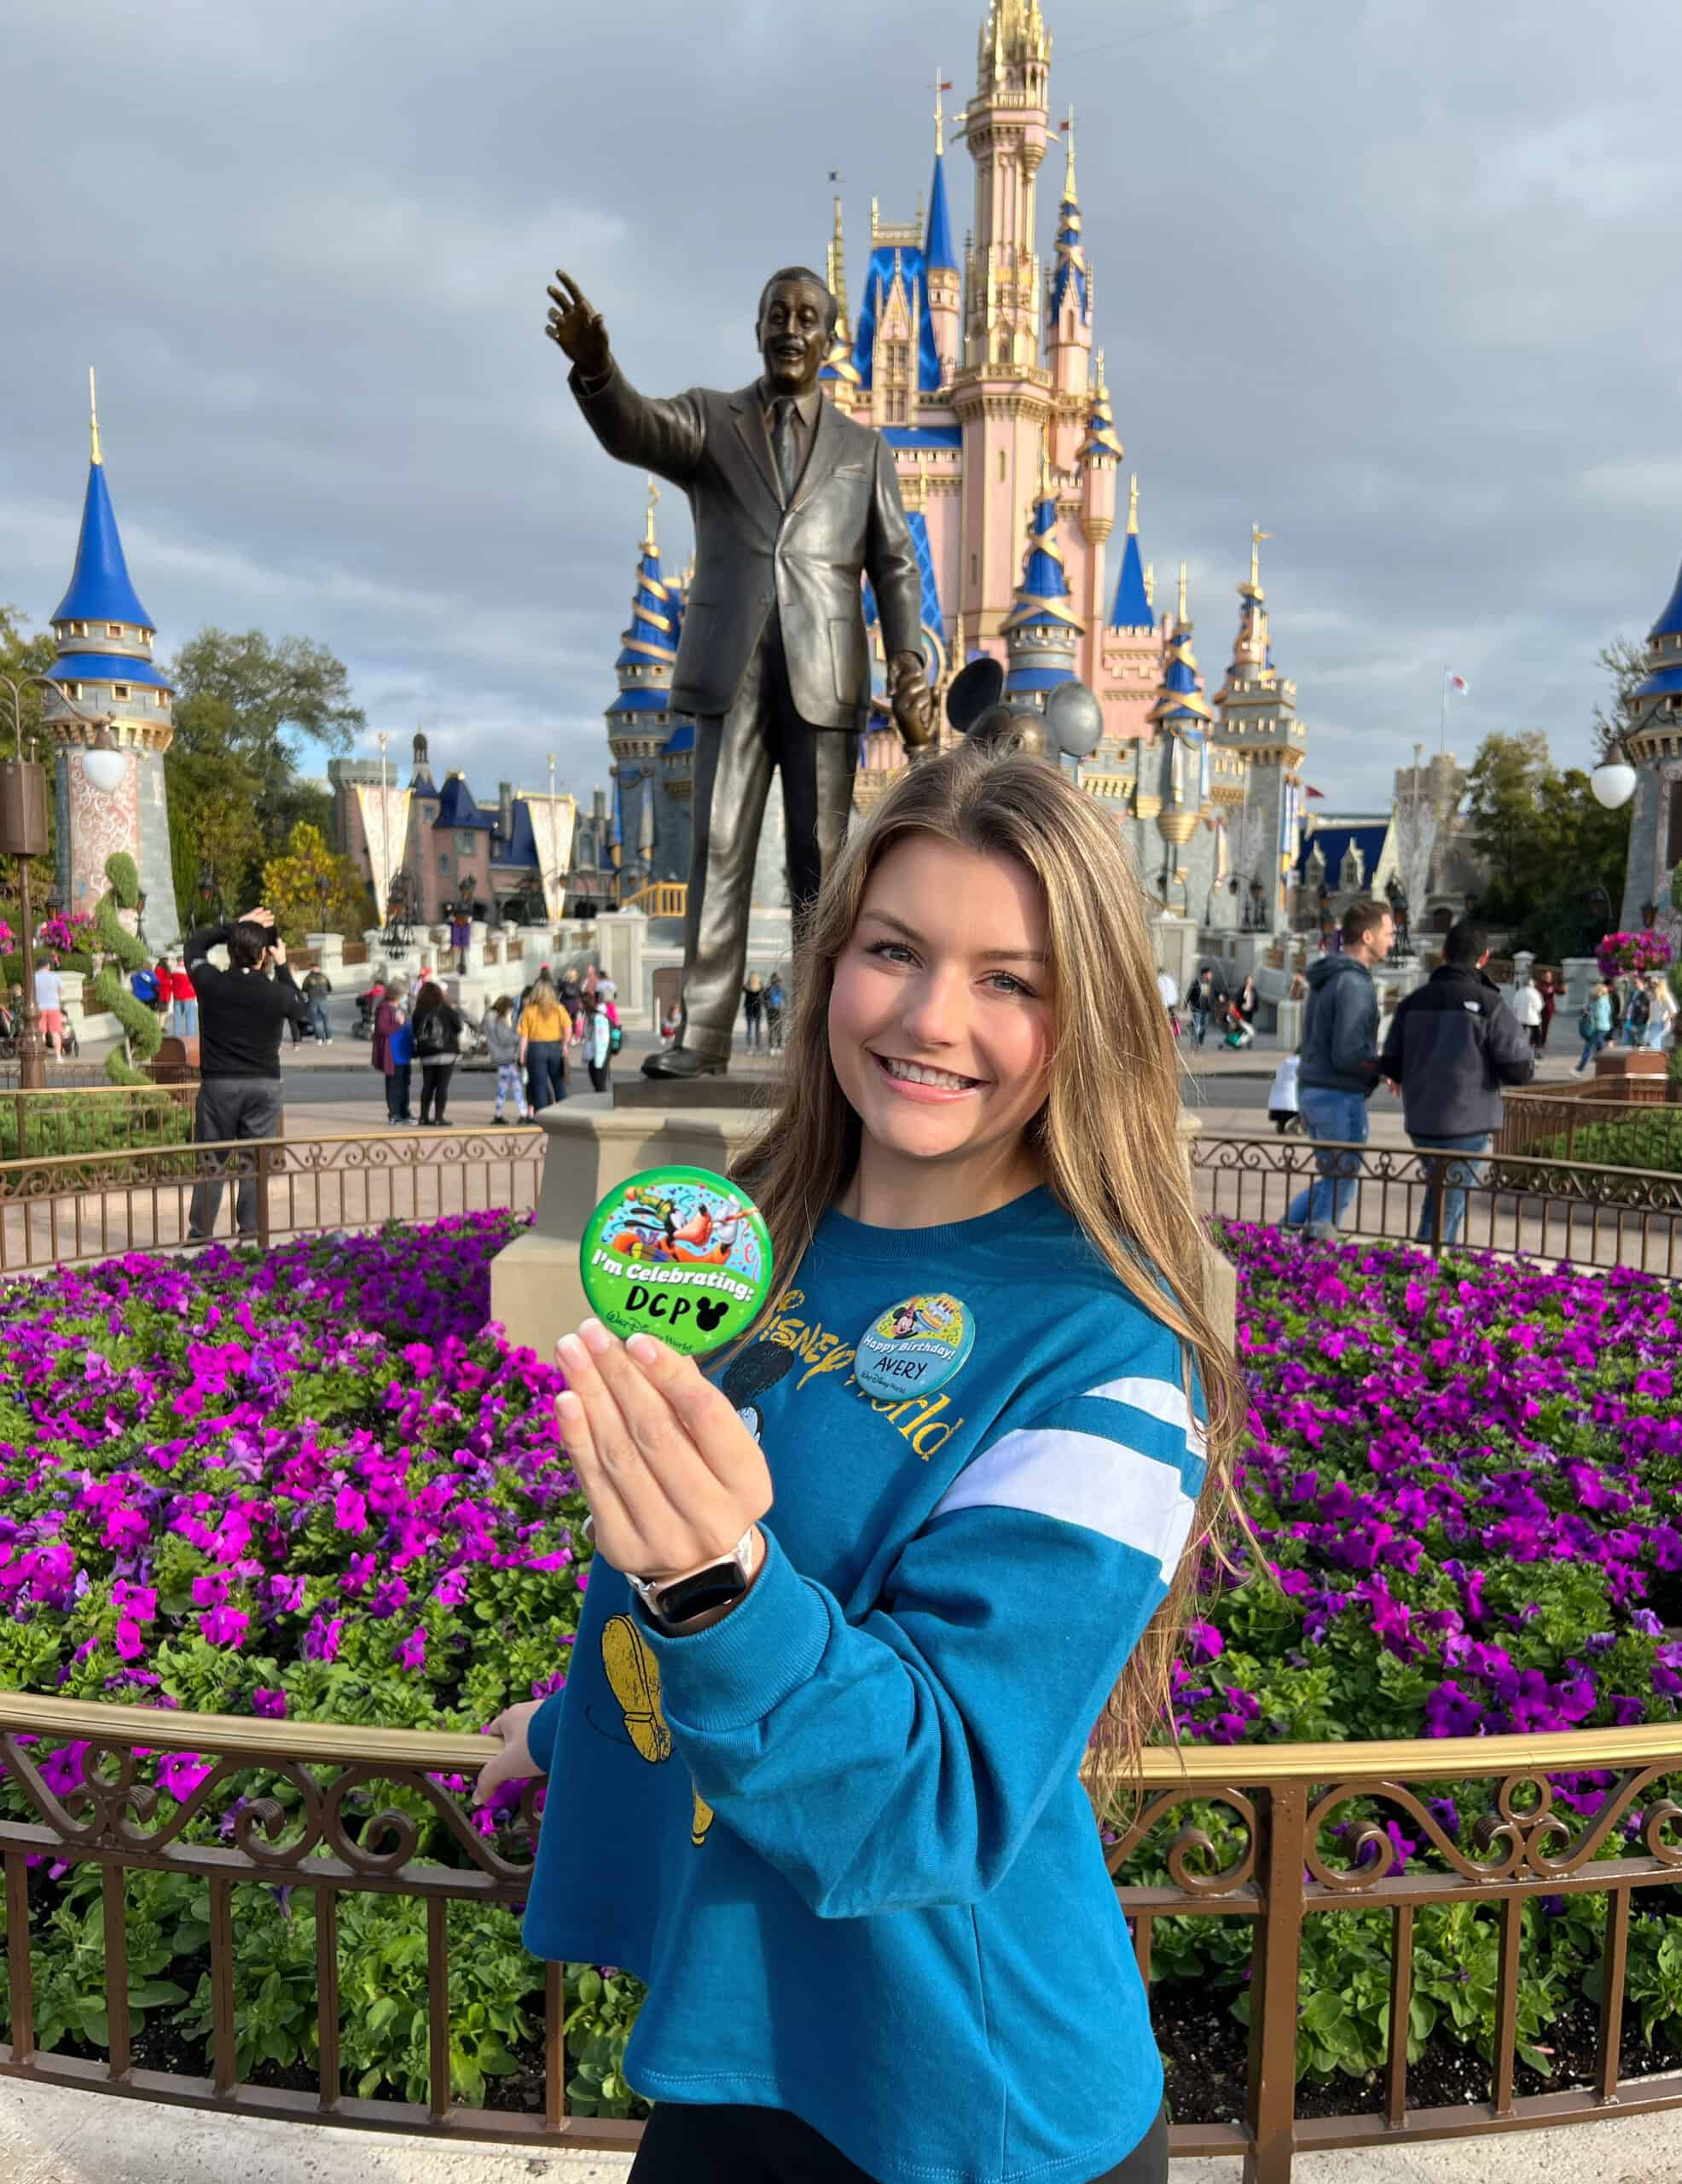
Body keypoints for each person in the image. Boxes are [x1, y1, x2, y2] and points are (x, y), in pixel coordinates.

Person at [476, 742, 1256, 2184]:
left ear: (1083, 1019)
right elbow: (692, 1600)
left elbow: (937, 1793)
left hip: (962, 2102)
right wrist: (577, 1716)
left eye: (1007, 979)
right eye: (892, 949)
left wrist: (716, 1584)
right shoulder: (761, 1241)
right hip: (746, 2045)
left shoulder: (1106, 1358)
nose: (927, 1017)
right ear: (829, 960)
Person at [548, 263, 932, 1082]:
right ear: (756, 328)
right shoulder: (712, 421)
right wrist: (596, 371)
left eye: (807, 317)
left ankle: (824, 1042)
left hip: (825, 671)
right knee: (718, 844)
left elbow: (896, 565)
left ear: (831, 340)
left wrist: (906, 658)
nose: (791, 328)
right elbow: (635, 430)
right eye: (776, 315)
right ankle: (706, 1035)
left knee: (821, 862)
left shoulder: (865, 451)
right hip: (733, 667)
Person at [1379, 918, 1535, 1248]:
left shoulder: (1412, 1002)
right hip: (1469, 1120)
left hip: (1421, 1119)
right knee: (1447, 1205)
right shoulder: (1490, 1004)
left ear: (1444, 952)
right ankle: (1423, 1274)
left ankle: (1433, 1264)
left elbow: (1391, 1062)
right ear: (1484, 958)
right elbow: (1520, 1069)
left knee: (1445, 1197)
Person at [184, 910, 312, 1242]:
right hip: (263, 1085)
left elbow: (194, 945)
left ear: (230, 949)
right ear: (263, 955)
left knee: (212, 1162)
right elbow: (302, 1009)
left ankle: (200, 1236)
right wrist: (283, 966)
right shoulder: (276, 992)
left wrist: (232, 926)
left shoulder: (210, 983)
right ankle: (252, 1234)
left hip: (219, 1085)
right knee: (255, 1163)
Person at [1283, 898, 1395, 1242]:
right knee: (1341, 1184)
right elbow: (1348, 1052)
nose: (1392, 941)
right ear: (1367, 937)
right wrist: (1385, 1066)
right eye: (1388, 934)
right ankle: (1310, 1258)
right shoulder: (1354, 983)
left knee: (1333, 1180)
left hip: (1315, 1088)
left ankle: (1275, 1242)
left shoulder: (1328, 975)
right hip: (1339, 1095)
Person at [519, 971, 573, 1112]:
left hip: (535, 1048)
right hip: (555, 1047)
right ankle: (565, 1115)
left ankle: (543, 1118)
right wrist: (565, 1045)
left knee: (539, 1086)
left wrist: (522, 1054)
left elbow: (524, 1036)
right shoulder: (559, 1009)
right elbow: (568, 1029)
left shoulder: (529, 1011)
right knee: (559, 1084)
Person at [413, 979, 465, 1126]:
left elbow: (416, 1032)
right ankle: (438, 1118)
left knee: (427, 1085)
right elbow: (459, 1027)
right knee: (442, 1085)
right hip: (447, 1052)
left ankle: (423, 1117)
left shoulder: (418, 1011)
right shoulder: (446, 1009)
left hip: (427, 1052)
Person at [373, 981, 413, 1124]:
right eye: (404, 995)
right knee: (394, 1086)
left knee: (404, 1084)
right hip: (393, 1055)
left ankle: (405, 1112)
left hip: (403, 1054)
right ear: (397, 995)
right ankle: (394, 1113)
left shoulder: (398, 1008)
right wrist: (398, 1024)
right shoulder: (384, 1010)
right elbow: (382, 1030)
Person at [484, 996, 528, 1123]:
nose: (510, 1012)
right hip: (506, 1056)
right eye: (510, 1009)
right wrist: (518, 1037)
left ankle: (498, 1114)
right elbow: (505, 1039)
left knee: (503, 1087)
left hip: (498, 1056)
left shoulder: (488, 1017)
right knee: (516, 1086)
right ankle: (523, 1113)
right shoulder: (498, 1019)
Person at [1574, 979, 1613, 1072]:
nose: (1593, 992)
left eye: (1595, 991)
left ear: (1599, 992)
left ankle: (1579, 1069)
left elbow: (1599, 1014)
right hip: (1603, 1027)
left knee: (1589, 1047)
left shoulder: (1601, 1001)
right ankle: (1607, 1066)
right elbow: (1607, 1012)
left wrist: (1590, 1013)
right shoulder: (1602, 1000)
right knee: (1600, 1047)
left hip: (1600, 1027)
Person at [578, 988, 613, 1093]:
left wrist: (599, 1061)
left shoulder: (598, 1018)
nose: (577, 1004)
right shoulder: (588, 1017)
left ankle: (601, 1105)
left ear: (585, 1003)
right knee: (597, 1085)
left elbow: (602, 1041)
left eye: (579, 1002)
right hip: (593, 1056)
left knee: (600, 1085)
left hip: (600, 1056)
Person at [33, 955, 66, 1061]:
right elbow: (62, 992)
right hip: (54, 1007)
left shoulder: (33, 977)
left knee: (41, 1033)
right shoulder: (55, 976)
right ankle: (58, 1057)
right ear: (47, 965)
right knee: (55, 1032)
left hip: (39, 1008)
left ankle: (42, 1058)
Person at [1510, 972, 1544, 1054]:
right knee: (1537, 1034)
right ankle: (1537, 1050)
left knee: (1520, 1034)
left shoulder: (1519, 993)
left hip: (1521, 1018)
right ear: (1532, 984)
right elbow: (1539, 1006)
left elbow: (1515, 1005)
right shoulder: (1535, 993)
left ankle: (1519, 1049)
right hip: (1533, 1018)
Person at [1267, 1049, 1301, 1134]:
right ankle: (1294, 1127)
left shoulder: (1288, 1060)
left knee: (1284, 1112)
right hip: (1291, 1091)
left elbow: (1277, 1074)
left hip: (1280, 1089)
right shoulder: (1302, 1061)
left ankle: (1282, 1127)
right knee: (1305, 1110)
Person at [169, 956, 198, 1044]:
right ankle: (190, 1036)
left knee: (177, 1017)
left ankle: (176, 1035)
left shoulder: (173, 971)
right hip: (189, 996)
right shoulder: (189, 971)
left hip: (177, 997)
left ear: (177, 961)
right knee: (190, 1017)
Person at [303, 964, 333, 1044]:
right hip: (323, 999)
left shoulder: (309, 977)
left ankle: (319, 1039)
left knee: (316, 1020)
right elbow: (330, 987)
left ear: (312, 968)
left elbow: (304, 988)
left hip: (313, 999)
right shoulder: (324, 977)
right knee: (326, 1019)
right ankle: (329, 1038)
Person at [1187, 967, 1216, 1049]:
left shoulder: (1210, 984)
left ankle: (1199, 1041)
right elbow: (1190, 993)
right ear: (1205, 974)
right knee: (1196, 1026)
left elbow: (1214, 994)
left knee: (1204, 1027)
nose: (1211, 976)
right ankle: (1194, 1043)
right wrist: (1186, 1003)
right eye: (1210, 974)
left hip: (1206, 1009)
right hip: (1197, 1008)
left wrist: (1219, 997)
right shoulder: (1197, 982)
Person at [1227, 973, 1257, 1050]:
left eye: (1251, 981)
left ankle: (1248, 1042)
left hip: (1250, 1012)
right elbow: (1238, 1000)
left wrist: (1255, 1008)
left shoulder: (1254, 990)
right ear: (1246, 981)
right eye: (1249, 981)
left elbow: (1256, 1000)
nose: (1250, 982)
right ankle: (1237, 1043)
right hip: (1242, 1012)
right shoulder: (1242, 990)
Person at [1647, 976, 1675, 1053]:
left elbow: (1673, 1011)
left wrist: (1666, 1020)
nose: (1652, 986)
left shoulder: (1665, 996)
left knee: (1653, 1045)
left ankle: (1656, 1062)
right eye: (1652, 984)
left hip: (1660, 1023)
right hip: (1653, 1023)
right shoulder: (1653, 996)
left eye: (1655, 984)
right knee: (1652, 1044)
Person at [1625, 975, 1652, 1050]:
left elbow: (1644, 1013)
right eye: (1634, 983)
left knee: (1640, 1047)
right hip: (1629, 1022)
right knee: (1627, 1045)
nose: (1635, 984)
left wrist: (1637, 1025)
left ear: (1643, 984)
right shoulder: (1634, 993)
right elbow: (1630, 1006)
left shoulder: (1646, 996)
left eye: (1637, 983)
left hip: (1638, 1024)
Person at [763, 971, 786, 1054]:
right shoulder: (778, 989)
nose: (777, 981)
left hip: (775, 1012)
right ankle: (775, 1047)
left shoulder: (779, 989)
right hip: (775, 1012)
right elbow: (764, 1000)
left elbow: (785, 1000)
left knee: (775, 1030)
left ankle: (775, 1047)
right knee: (776, 1030)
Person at [742, 972, 765, 1053]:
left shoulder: (747, 987)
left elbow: (742, 988)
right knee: (757, 1030)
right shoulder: (760, 986)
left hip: (748, 1010)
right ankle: (758, 1048)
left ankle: (749, 1048)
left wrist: (748, 982)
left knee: (749, 1029)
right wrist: (760, 982)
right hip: (757, 1010)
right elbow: (764, 990)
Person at [1155, 966, 1180, 1039]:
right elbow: (1175, 991)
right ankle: (1175, 1031)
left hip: (1164, 1003)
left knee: (1164, 1018)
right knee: (1172, 1017)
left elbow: (1160, 992)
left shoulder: (1159, 980)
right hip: (1172, 1002)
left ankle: (1165, 1032)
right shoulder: (1170, 979)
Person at [451, 908, 473, 975]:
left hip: (464, 944)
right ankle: (457, 972)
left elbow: (466, 935)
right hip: (458, 944)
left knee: (465, 958)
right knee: (457, 959)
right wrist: (455, 944)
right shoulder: (457, 925)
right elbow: (456, 934)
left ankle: (465, 971)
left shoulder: (466, 925)